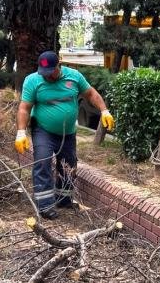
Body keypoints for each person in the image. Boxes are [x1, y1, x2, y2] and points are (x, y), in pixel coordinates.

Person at [15, 51, 115, 220]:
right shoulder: (33, 81)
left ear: (58, 65)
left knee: (68, 164)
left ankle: (64, 199)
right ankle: (45, 205)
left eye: (50, 72)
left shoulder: (74, 76)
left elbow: (91, 94)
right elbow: (24, 108)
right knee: (43, 161)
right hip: (43, 130)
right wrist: (21, 132)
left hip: (67, 133)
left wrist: (104, 110)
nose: (47, 76)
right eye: (43, 72)